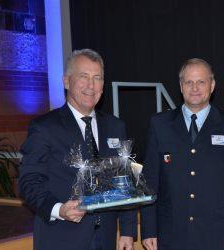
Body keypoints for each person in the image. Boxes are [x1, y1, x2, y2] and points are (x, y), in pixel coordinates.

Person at [18, 49, 136, 250]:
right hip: (61, 239)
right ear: (66, 82)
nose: (91, 85)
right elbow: (29, 182)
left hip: (107, 239)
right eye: (84, 76)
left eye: (97, 78)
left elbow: (124, 181)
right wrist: (59, 209)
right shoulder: (44, 127)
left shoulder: (116, 126)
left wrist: (127, 230)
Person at [140, 58, 224, 250]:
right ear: (181, 86)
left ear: (212, 85)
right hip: (171, 234)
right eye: (189, 82)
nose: (195, 88)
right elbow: (150, 181)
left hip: (218, 236)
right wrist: (149, 229)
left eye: (201, 81)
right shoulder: (160, 125)